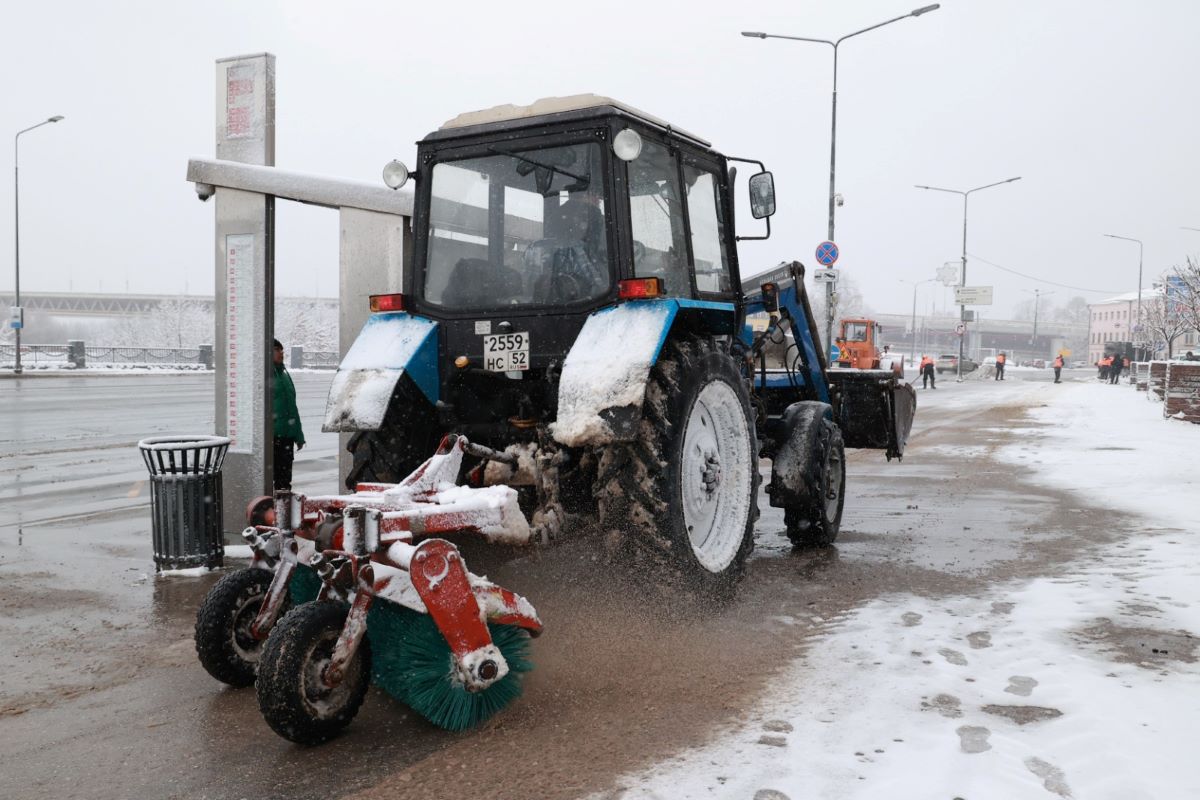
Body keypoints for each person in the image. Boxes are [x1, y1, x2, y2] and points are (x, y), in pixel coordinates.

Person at [272, 339, 305, 490]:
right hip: (271, 439)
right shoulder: (264, 375)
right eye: (277, 350)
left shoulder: (284, 374)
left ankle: (281, 511)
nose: (281, 353)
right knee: (269, 481)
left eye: (282, 350)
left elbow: (292, 408)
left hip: (286, 439)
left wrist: (299, 436)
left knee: (284, 483)